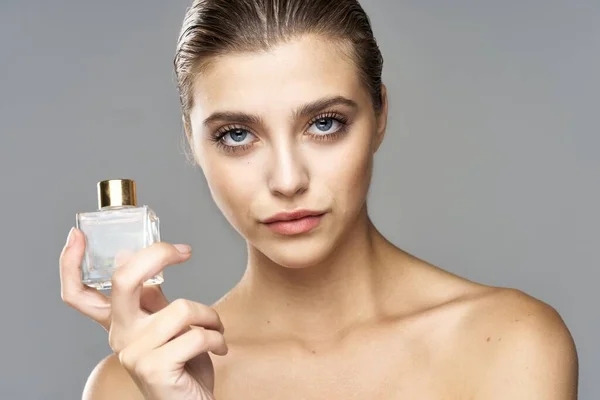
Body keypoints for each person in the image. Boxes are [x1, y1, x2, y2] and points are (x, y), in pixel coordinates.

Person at [59, 0, 578, 398]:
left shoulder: (509, 342)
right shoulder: (129, 384)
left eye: (324, 124)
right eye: (237, 135)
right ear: (193, 143)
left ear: (379, 117)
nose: (287, 180)